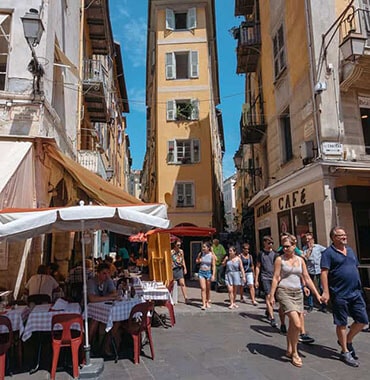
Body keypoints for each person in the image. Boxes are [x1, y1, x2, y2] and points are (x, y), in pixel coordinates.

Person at [269, 233, 321, 367]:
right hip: (284, 292)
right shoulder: (280, 260)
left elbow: (307, 277)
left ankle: (289, 348)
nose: (285, 249)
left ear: (294, 246)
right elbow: (275, 277)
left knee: (293, 325)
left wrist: (317, 294)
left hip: (298, 293)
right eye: (283, 247)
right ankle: (295, 353)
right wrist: (271, 295)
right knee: (297, 324)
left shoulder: (300, 260)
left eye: (287, 246)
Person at [321, 226, 369, 367]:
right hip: (339, 293)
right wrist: (326, 291)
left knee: (362, 320)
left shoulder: (350, 251)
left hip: (355, 292)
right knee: (341, 322)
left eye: (345, 234)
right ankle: (345, 351)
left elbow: (354, 267)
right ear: (333, 238)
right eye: (340, 235)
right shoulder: (328, 253)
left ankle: (347, 340)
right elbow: (324, 272)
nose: (344, 237)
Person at [87, 263, 120, 356]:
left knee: (117, 320)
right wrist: (109, 297)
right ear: (98, 273)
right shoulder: (91, 282)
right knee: (95, 320)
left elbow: (115, 293)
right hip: (91, 309)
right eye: (104, 273)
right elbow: (92, 299)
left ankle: (106, 344)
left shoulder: (108, 280)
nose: (107, 276)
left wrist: (109, 296)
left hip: (104, 308)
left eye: (108, 273)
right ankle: (87, 345)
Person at [255, 236, 278, 327]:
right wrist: (256, 279)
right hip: (265, 277)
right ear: (264, 243)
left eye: (272, 243)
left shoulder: (275, 254)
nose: (270, 245)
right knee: (268, 296)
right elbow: (258, 266)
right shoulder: (261, 254)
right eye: (269, 243)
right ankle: (272, 318)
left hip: (274, 278)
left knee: (273, 297)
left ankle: (268, 310)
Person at [303, 232, 327, 313]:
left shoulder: (318, 247)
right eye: (306, 240)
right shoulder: (304, 248)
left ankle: (323, 305)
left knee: (321, 287)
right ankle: (310, 305)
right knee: (310, 288)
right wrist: (309, 249)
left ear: (312, 240)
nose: (308, 241)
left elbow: (326, 252)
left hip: (319, 270)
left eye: (309, 239)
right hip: (310, 270)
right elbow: (306, 258)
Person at [196, 242, 216, 310]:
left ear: (208, 248)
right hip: (201, 272)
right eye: (203, 247)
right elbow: (197, 261)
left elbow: (213, 265)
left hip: (208, 272)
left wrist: (213, 275)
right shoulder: (201, 254)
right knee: (203, 288)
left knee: (208, 288)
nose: (203, 248)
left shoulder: (211, 255)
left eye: (204, 247)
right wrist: (199, 260)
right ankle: (203, 304)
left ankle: (207, 301)